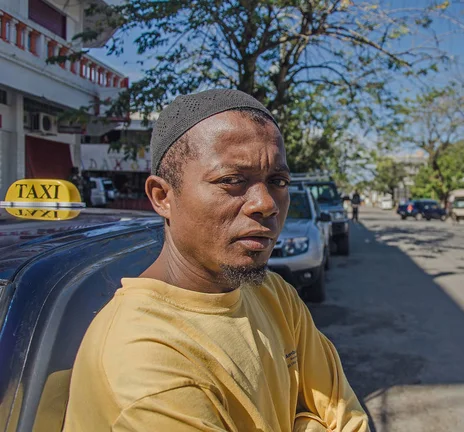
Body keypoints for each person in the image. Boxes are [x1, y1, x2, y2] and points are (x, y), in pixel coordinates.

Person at [63, 89, 368, 431]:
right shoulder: (144, 356)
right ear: (163, 197)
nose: (266, 204)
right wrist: (306, 421)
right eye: (232, 181)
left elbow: (349, 419)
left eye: (277, 181)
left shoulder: (275, 295)